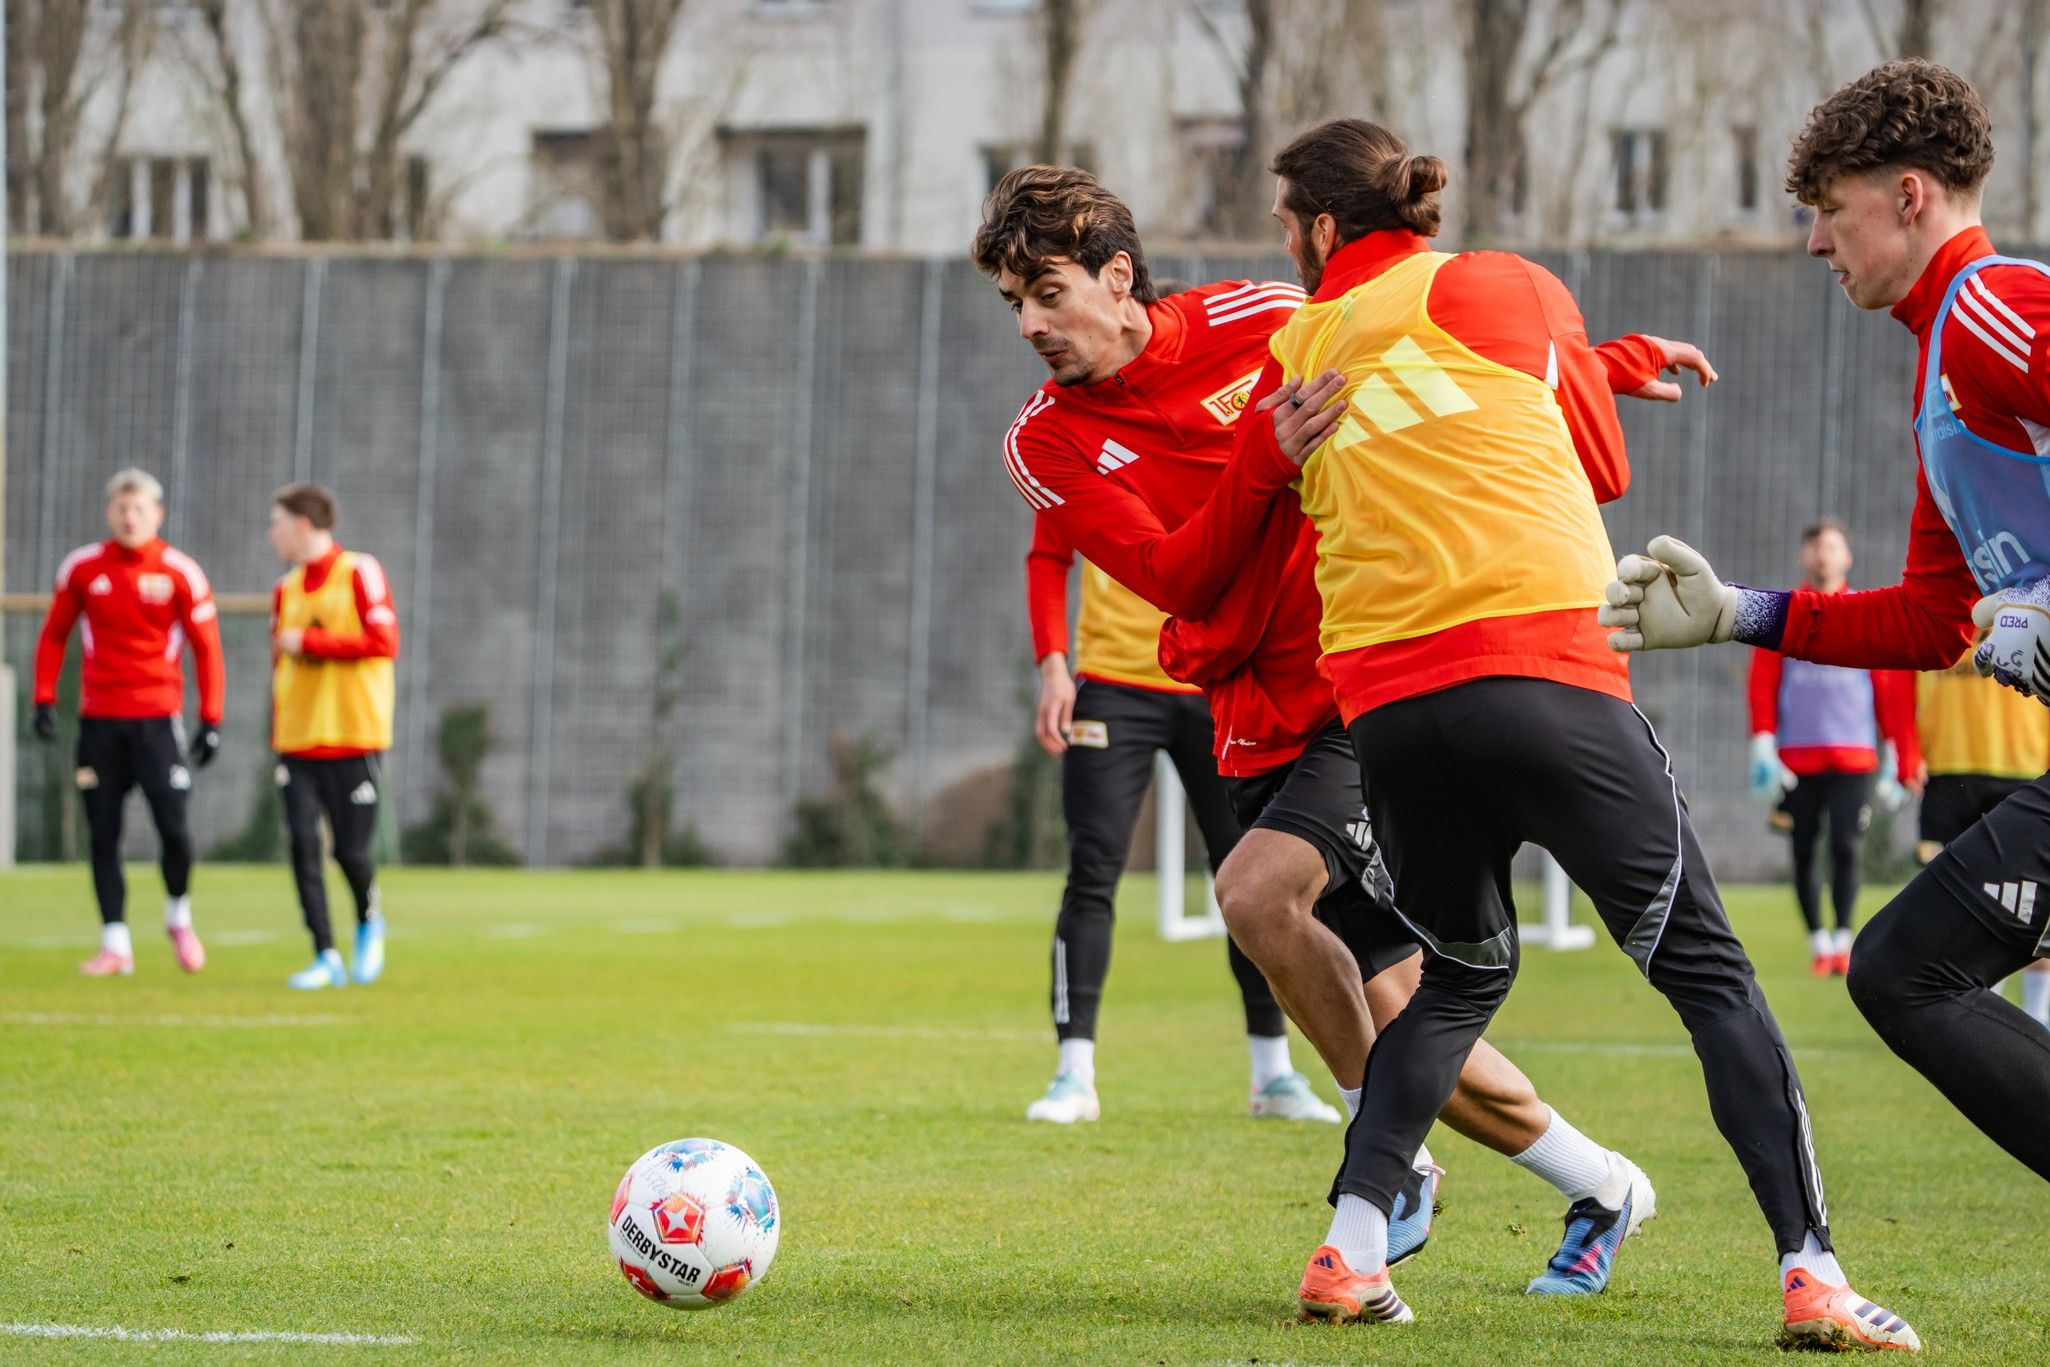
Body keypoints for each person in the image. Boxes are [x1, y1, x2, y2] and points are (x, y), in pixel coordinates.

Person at [1243, 119, 1913, 1348]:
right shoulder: (1499, 281)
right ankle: (1811, 1272)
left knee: (1456, 977)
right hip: (1541, 674)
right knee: (1707, 973)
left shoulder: (1296, 347)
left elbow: (1425, 404)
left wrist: (1592, 360)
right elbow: (1589, 462)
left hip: (1389, 712)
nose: (1281, 247)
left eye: (1285, 223)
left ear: (1324, 227)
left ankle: (1346, 1249)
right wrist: (1595, 368)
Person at [977, 163, 1658, 1297]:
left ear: (1118, 273)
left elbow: (1446, 364)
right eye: (1013, 305)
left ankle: (1381, 1173)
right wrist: (1262, 456)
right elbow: (1177, 582)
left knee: (1251, 896)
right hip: (1253, 724)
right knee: (1400, 1024)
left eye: (1047, 291)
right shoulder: (1044, 443)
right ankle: (1602, 1181)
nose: (1032, 324)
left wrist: (1610, 365)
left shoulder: (1267, 318)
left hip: (1368, 682)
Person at [1602, 59, 2050, 1204]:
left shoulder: (1993, 310)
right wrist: (1735, 614)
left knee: (1908, 966)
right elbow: (1932, 616)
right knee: (1901, 966)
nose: (1813, 243)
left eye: (1827, 208)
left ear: (1908, 195)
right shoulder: (1944, 363)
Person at [1023, 513, 1334, 1123]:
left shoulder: (1227, 420)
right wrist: (1053, 664)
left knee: (1253, 879)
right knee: (1092, 871)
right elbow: (1048, 553)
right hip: (1113, 684)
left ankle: (1273, 1075)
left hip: (1215, 679)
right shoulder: (1083, 429)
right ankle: (1073, 1075)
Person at [31, 469, 222, 977]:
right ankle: (115, 943)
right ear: (109, 512)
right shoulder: (83, 567)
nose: (129, 516)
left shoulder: (181, 571)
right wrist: (44, 700)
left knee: (176, 831)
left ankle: (178, 917)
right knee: (102, 833)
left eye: (138, 508)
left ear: (157, 514)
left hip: (158, 722)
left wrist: (212, 718)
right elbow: (54, 636)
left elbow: (207, 650)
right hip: (99, 722)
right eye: (121, 507)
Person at [1747, 520, 1920, 975]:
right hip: (1796, 762)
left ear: (1847, 557)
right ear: (1804, 556)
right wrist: (1763, 743)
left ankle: (1843, 939)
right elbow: (1762, 682)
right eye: (1814, 546)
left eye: (1831, 546)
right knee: (1803, 850)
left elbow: (1888, 685)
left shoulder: (1865, 612)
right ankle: (1818, 942)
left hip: (1854, 759)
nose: (1822, 554)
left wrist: (1896, 755)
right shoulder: (1779, 613)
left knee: (1845, 845)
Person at [267, 484, 399, 991]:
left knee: (351, 852)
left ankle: (369, 921)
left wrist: (312, 641)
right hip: (298, 741)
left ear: (302, 525)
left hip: (353, 734)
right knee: (302, 843)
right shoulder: (286, 588)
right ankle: (324, 954)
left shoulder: (359, 571)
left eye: (276, 522)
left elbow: (384, 641)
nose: (271, 533)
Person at [1915, 651, 2050, 1026]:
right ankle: (1981, 1007)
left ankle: (2038, 1016)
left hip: (2024, 765)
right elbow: (1903, 678)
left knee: (2030, 902)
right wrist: (1907, 752)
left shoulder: (2034, 598)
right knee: (1953, 903)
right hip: (1947, 769)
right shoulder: (1940, 606)